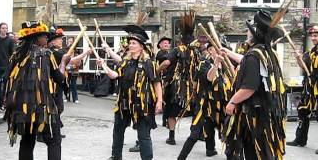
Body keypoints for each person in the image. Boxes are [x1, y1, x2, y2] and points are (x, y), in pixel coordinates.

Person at [224, 10, 287, 159]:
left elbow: (249, 88)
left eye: (248, 30)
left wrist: (232, 102)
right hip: (266, 114)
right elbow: (246, 61)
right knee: (264, 152)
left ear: (253, 34)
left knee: (254, 153)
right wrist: (227, 52)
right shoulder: (267, 52)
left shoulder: (253, 56)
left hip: (255, 117)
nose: (247, 32)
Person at [3, 21, 71, 160]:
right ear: (35, 37)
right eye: (43, 35)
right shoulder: (46, 54)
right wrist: (63, 62)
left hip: (22, 108)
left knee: (27, 141)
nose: (47, 37)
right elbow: (59, 78)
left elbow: (6, 77)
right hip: (43, 107)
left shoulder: (17, 55)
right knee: (54, 141)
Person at [97, 25, 163, 160]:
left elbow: (157, 83)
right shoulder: (125, 62)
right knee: (118, 131)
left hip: (142, 104)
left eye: (134, 43)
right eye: (130, 43)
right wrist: (103, 65)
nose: (130, 45)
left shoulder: (149, 63)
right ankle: (116, 156)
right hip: (124, 103)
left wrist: (159, 102)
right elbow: (114, 75)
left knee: (143, 135)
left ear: (141, 47)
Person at [178, 42, 231, 159]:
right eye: (215, 49)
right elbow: (208, 77)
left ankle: (212, 150)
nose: (218, 51)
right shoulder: (204, 64)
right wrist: (216, 63)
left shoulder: (227, 66)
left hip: (222, 105)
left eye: (220, 49)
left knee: (228, 131)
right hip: (205, 105)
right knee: (195, 134)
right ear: (210, 50)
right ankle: (180, 158)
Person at [158, 11, 199, 145]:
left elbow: (167, 63)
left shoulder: (177, 50)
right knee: (196, 110)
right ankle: (197, 134)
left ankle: (171, 137)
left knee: (171, 112)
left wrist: (156, 70)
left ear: (181, 38)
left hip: (176, 87)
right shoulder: (196, 52)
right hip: (192, 86)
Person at [287, 25, 318, 154]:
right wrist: (298, 58)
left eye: (316, 35)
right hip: (309, 88)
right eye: (312, 35)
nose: (313, 38)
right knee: (302, 111)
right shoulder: (310, 52)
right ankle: (300, 139)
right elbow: (303, 66)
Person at [0, 22, 14, 112]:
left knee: (4, 86)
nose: (4, 30)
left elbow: (12, 54)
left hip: (6, 67)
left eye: (6, 28)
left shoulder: (10, 41)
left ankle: (2, 104)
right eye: (3, 28)